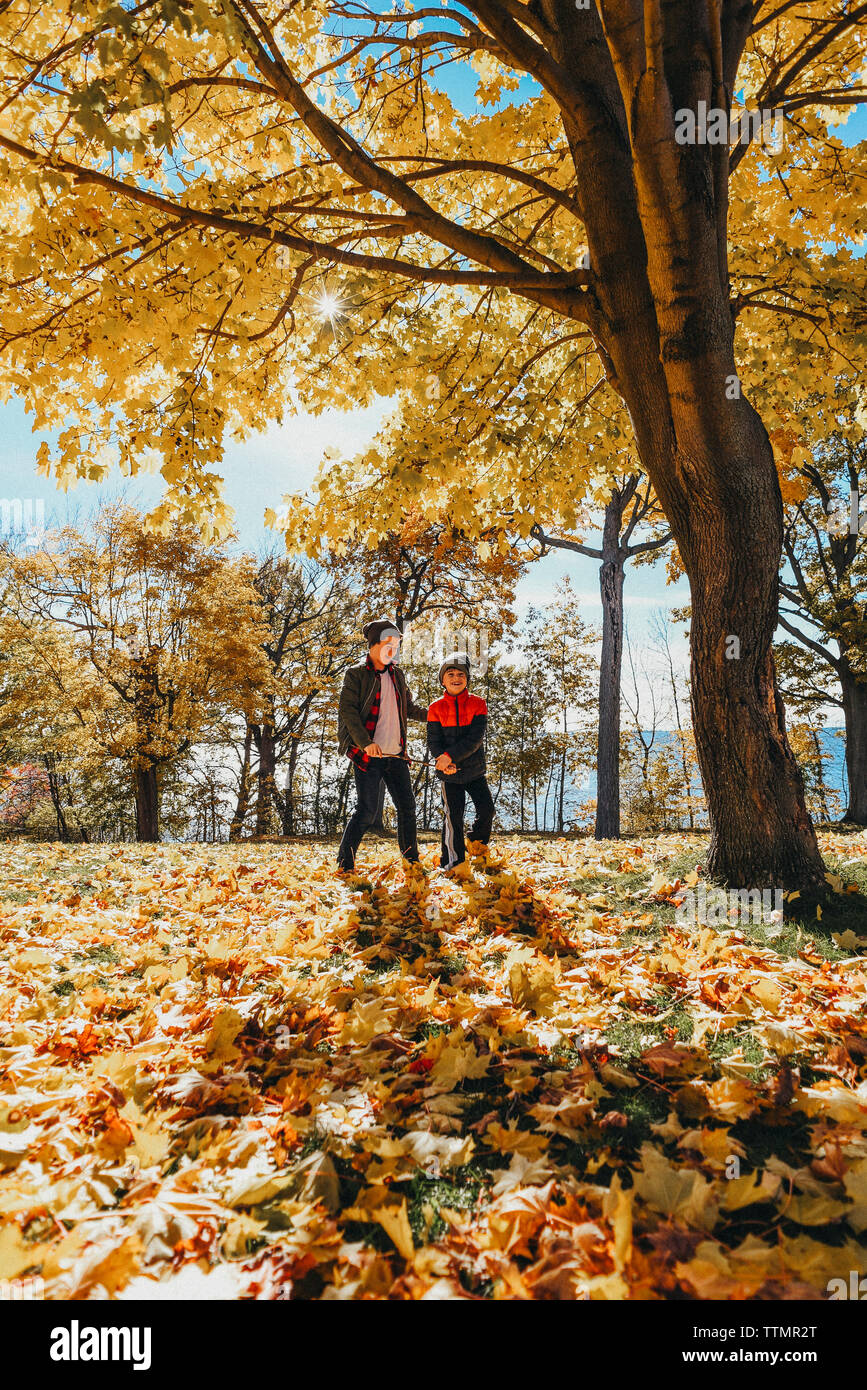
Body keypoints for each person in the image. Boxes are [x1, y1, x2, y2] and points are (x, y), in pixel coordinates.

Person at [336, 618, 428, 871]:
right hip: (368, 755)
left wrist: (436, 714)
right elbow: (348, 711)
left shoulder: (397, 674)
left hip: (396, 755)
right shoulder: (356, 674)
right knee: (366, 811)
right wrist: (365, 743)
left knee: (407, 808)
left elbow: (408, 708)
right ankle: (345, 864)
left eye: (396, 645)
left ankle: (411, 861)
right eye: (388, 644)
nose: (393, 650)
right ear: (373, 645)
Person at [426, 651, 495, 870]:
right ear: (443, 680)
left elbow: (474, 740)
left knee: (486, 810)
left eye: (461, 675)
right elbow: (434, 742)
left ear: (467, 678)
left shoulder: (478, 704)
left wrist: (449, 756)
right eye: (451, 674)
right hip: (449, 774)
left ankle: (476, 843)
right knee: (452, 817)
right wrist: (443, 760)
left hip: (474, 771)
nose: (456, 678)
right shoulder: (435, 708)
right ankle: (453, 862)